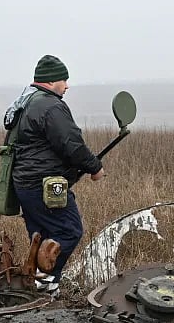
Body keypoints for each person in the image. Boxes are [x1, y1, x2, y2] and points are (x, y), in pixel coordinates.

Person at [7, 55, 105, 297]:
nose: (67, 86)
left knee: (40, 235)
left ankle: (35, 284)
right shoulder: (51, 106)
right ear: (51, 81)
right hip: (45, 185)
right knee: (70, 231)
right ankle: (46, 281)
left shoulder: (25, 102)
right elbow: (71, 144)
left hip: (23, 184)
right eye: (64, 80)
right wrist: (94, 167)